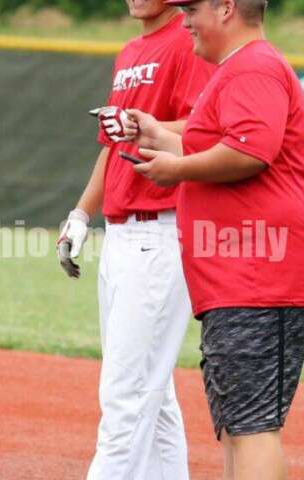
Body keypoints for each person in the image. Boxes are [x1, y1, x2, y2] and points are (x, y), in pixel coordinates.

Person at [123, 1, 304, 479]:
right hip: (246, 277)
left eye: (193, 9)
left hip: (265, 273)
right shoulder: (238, 70)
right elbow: (219, 144)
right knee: (240, 424)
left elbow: (250, 151)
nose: (184, 21)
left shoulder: (253, 67)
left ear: (226, 8)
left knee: (251, 426)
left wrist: (175, 169)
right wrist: (158, 134)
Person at [56, 1, 215, 478]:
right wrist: (82, 213)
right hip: (122, 234)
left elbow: (205, 130)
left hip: (161, 231)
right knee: (153, 392)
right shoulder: (129, 52)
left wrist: (149, 127)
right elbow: (114, 146)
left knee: (125, 396)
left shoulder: (188, 42)